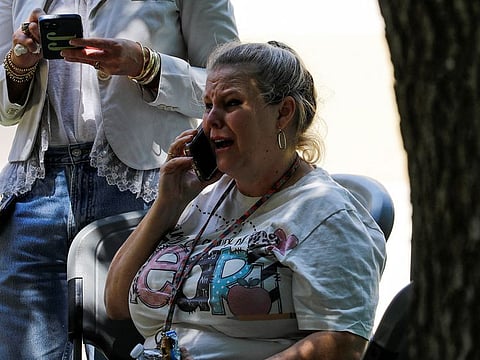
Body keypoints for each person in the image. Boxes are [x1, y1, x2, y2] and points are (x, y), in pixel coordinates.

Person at [105, 41, 387, 360]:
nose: (210, 121)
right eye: (208, 105)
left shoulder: (327, 214)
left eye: (231, 104)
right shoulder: (204, 196)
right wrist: (167, 204)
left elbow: (341, 344)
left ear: (283, 113)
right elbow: (115, 303)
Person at [0, 0, 238, 358]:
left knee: (131, 346)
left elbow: (231, 84)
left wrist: (147, 66)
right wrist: (19, 64)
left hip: (139, 186)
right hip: (36, 186)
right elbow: (5, 108)